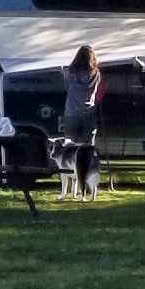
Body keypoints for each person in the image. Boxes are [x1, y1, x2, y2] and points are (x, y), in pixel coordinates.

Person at [59, 44, 104, 199]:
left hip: (71, 115)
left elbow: (66, 86)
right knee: (88, 155)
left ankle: (72, 188)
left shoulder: (70, 73)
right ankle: (89, 188)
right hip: (89, 116)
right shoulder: (96, 74)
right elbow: (99, 90)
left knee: (70, 153)